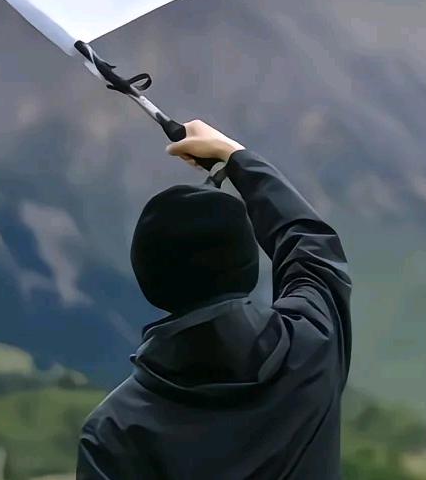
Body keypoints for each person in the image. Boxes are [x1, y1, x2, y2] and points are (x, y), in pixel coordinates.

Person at [76, 119, 352, 480]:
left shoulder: (115, 431)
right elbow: (309, 243)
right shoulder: (313, 345)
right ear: (248, 266)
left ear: (149, 281)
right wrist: (233, 156)